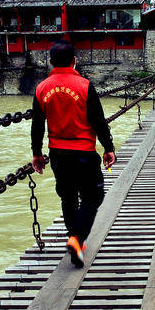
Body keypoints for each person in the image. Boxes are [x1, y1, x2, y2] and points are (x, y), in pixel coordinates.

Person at [31, 39, 116, 268]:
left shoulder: (41, 88)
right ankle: (76, 239)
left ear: (50, 62)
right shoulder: (84, 86)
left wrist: (37, 153)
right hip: (84, 152)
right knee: (92, 197)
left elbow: (37, 125)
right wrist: (109, 148)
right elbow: (99, 122)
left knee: (68, 196)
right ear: (74, 61)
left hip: (57, 153)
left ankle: (74, 239)